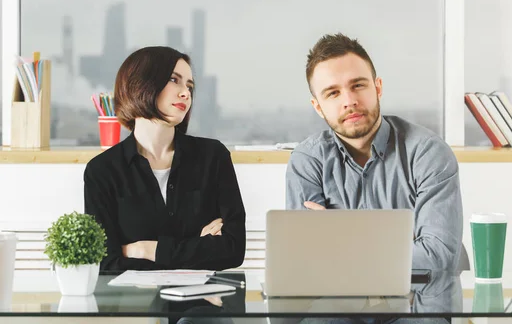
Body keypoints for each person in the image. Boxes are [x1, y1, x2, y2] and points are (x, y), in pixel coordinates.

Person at [286, 34, 465, 270]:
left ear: (378, 88)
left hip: (420, 300)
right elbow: (305, 257)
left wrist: (339, 236)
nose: (349, 101)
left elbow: (437, 255)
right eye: (333, 93)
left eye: (358, 85)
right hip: (338, 303)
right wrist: (398, 245)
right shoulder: (307, 161)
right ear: (318, 107)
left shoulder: (428, 153)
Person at [84, 46, 246, 271]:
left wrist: (143, 250)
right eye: (174, 80)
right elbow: (105, 262)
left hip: (204, 302)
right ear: (139, 84)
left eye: (189, 85)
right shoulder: (102, 171)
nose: (186, 93)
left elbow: (232, 250)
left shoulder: (214, 157)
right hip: (134, 304)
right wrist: (197, 247)